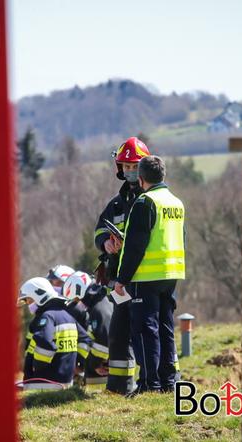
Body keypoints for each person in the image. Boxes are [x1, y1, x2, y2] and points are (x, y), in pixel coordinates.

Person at [114, 155, 184, 396]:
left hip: (146, 276)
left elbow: (135, 246)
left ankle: (149, 384)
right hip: (171, 273)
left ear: (141, 179)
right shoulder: (175, 202)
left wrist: (122, 279)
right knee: (165, 327)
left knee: (145, 330)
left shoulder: (144, 202)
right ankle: (169, 382)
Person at [94, 136, 150, 394]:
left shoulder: (150, 199)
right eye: (125, 167)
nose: (129, 171)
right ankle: (119, 388)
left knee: (146, 334)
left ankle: (155, 385)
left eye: (134, 166)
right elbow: (98, 231)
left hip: (145, 279)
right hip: (119, 283)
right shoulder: (116, 204)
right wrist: (106, 242)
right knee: (118, 334)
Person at [19, 277, 91, 388]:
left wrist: (37, 367)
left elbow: (45, 345)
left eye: (29, 300)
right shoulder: (66, 315)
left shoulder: (47, 316)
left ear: (39, 296)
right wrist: (78, 363)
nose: (28, 304)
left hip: (44, 383)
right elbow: (85, 340)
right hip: (65, 381)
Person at [63, 271, 114, 386]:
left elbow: (104, 341)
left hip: (106, 366)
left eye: (76, 299)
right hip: (106, 362)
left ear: (80, 291)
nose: (78, 303)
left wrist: (95, 364)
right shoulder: (99, 303)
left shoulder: (99, 309)